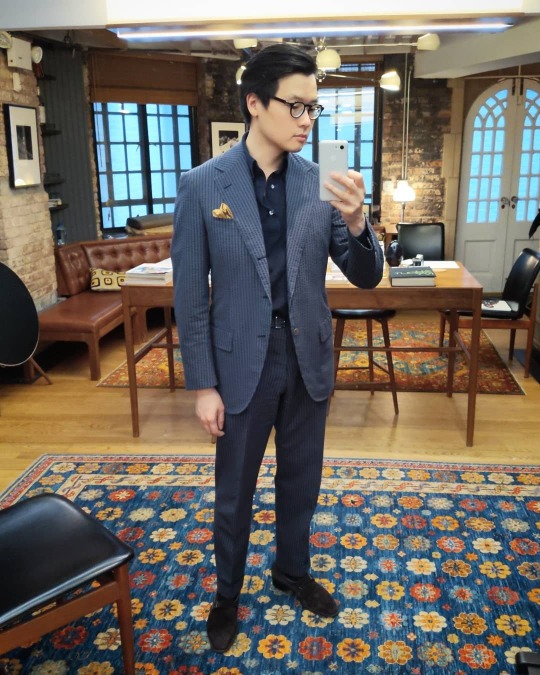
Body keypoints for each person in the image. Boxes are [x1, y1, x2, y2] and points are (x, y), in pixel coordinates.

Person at [171, 43, 384, 653]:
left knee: (301, 484)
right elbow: (190, 295)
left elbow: (366, 276)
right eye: (296, 106)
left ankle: (291, 572)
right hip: (241, 364)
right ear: (255, 103)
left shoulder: (322, 185)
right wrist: (203, 385)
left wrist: (357, 223)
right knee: (234, 493)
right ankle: (227, 595)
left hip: (306, 359)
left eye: (314, 108)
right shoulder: (202, 185)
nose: (306, 120)